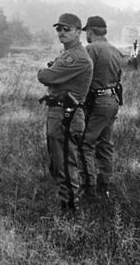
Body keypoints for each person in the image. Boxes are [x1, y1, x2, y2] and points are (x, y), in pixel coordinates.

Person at [37, 13, 93, 212]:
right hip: (59, 112)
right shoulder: (67, 53)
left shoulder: (76, 57)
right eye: (59, 29)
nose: (61, 32)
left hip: (66, 114)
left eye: (66, 29)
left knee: (65, 165)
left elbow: (47, 76)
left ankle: (71, 211)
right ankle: (67, 205)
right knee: (57, 163)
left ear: (79, 32)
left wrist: (46, 73)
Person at [79, 16, 122, 201]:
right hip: (113, 100)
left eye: (86, 32)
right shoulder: (115, 50)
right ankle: (105, 187)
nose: (85, 35)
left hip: (97, 102)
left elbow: (83, 76)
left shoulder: (91, 49)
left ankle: (90, 189)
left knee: (85, 143)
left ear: (90, 31)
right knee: (105, 144)